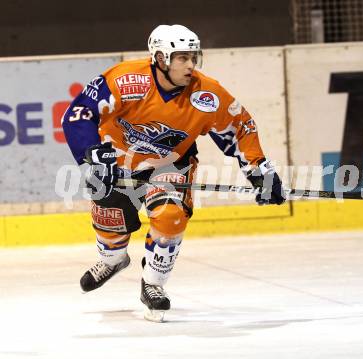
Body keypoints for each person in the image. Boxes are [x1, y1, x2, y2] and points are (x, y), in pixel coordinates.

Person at [62, 24, 285, 322]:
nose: (191, 65)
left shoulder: (207, 95)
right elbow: (79, 114)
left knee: (170, 216)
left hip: (171, 163)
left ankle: (153, 284)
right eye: (182, 58)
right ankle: (113, 259)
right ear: (161, 58)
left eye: (193, 57)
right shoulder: (125, 80)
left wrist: (260, 171)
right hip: (117, 159)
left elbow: (240, 128)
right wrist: (91, 156)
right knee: (109, 219)